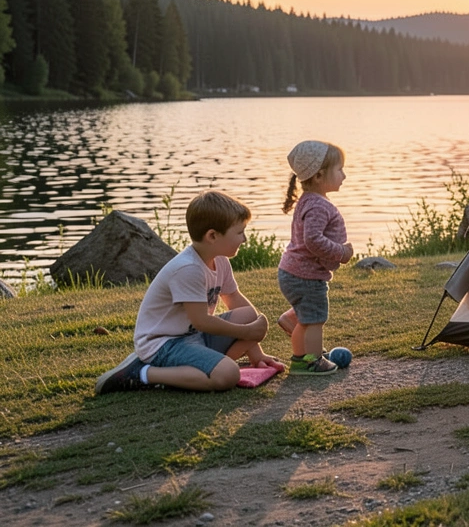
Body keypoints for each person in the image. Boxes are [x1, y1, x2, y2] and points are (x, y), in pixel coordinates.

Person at [94, 191, 286, 395]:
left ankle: (203, 364)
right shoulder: (189, 269)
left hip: (194, 337)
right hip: (164, 343)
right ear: (212, 236)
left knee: (248, 314)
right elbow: (201, 321)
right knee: (228, 375)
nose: (245, 239)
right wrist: (246, 333)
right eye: (239, 232)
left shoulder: (220, 260)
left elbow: (235, 300)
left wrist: (257, 354)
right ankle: (141, 373)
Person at [275, 140, 354, 375]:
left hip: (296, 272)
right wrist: (341, 253)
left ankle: (302, 347)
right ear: (319, 176)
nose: (344, 175)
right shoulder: (318, 205)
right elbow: (313, 240)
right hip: (305, 276)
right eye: (339, 170)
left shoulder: (310, 200)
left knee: (308, 316)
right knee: (314, 319)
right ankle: (310, 359)